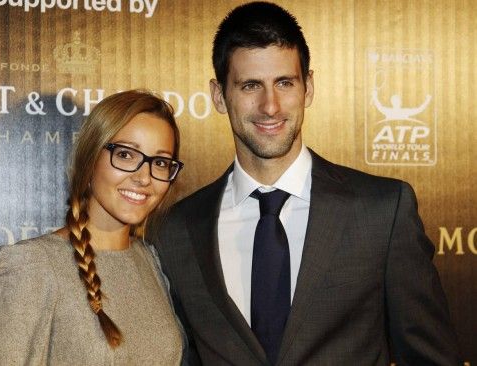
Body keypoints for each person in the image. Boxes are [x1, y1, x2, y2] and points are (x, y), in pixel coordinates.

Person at [154, 2, 462, 365]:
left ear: (309, 88)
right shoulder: (177, 229)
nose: (270, 106)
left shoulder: (383, 211)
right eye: (250, 85)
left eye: (285, 82)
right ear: (219, 96)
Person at [0, 90, 187, 365]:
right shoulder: (31, 266)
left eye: (160, 163)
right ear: (90, 159)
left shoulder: (149, 259)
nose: (144, 177)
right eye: (126, 155)